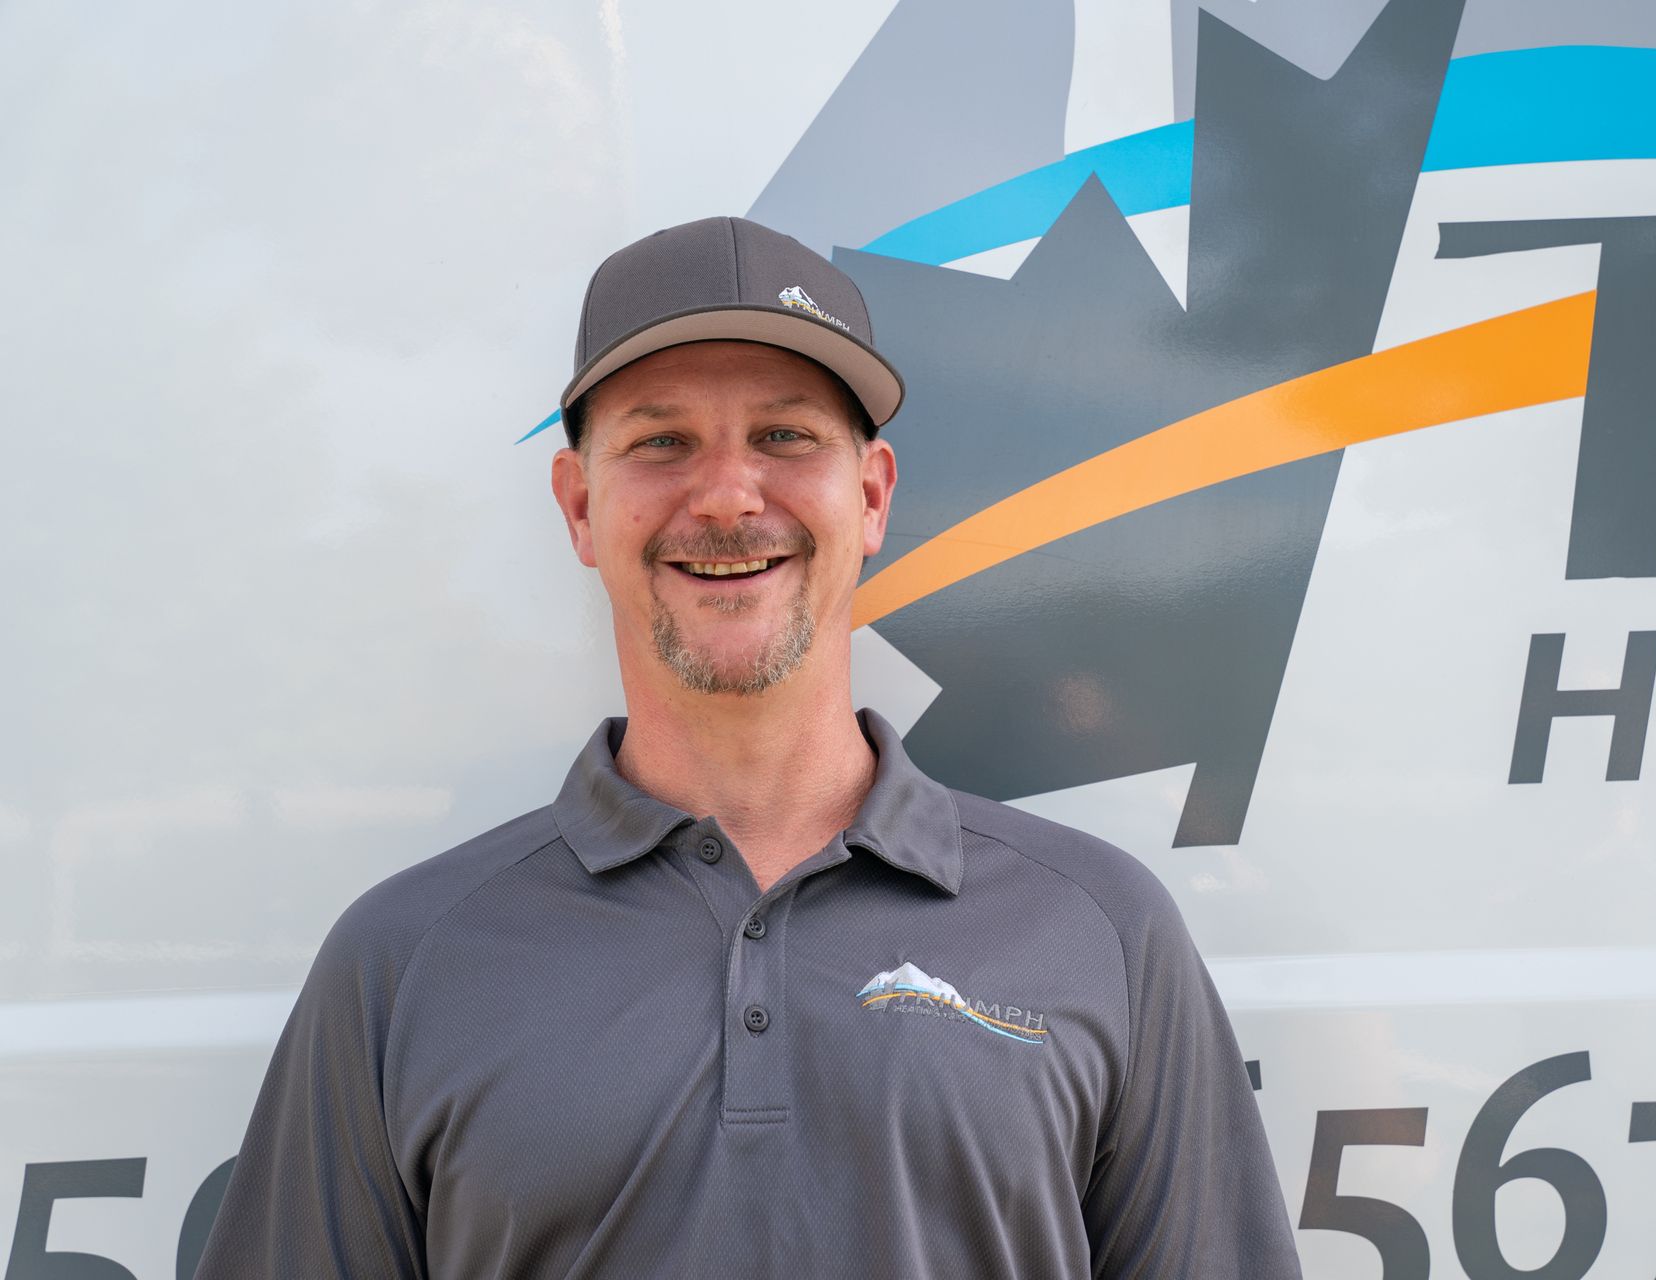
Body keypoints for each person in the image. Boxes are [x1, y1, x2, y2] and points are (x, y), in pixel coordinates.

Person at [194, 216, 1301, 1278]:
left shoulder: (1103, 931)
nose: (727, 494)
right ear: (580, 505)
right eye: (662, 440)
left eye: (786, 436)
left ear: (869, 496)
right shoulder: (402, 962)